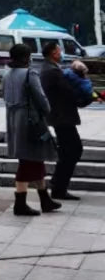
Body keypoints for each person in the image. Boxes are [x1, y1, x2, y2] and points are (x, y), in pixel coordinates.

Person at [3, 42, 61, 216]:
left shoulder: (6, 74)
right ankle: (20, 203)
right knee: (29, 160)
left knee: (35, 158)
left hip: (13, 120)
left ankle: (45, 199)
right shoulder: (30, 73)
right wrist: (47, 111)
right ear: (27, 57)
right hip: (31, 121)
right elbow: (41, 97)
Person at [40, 39, 87, 201]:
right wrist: (87, 97)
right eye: (59, 51)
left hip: (59, 116)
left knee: (68, 150)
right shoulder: (52, 71)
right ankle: (59, 187)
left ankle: (58, 185)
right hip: (62, 117)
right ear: (53, 53)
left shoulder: (49, 68)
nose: (61, 53)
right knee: (74, 150)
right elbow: (68, 92)